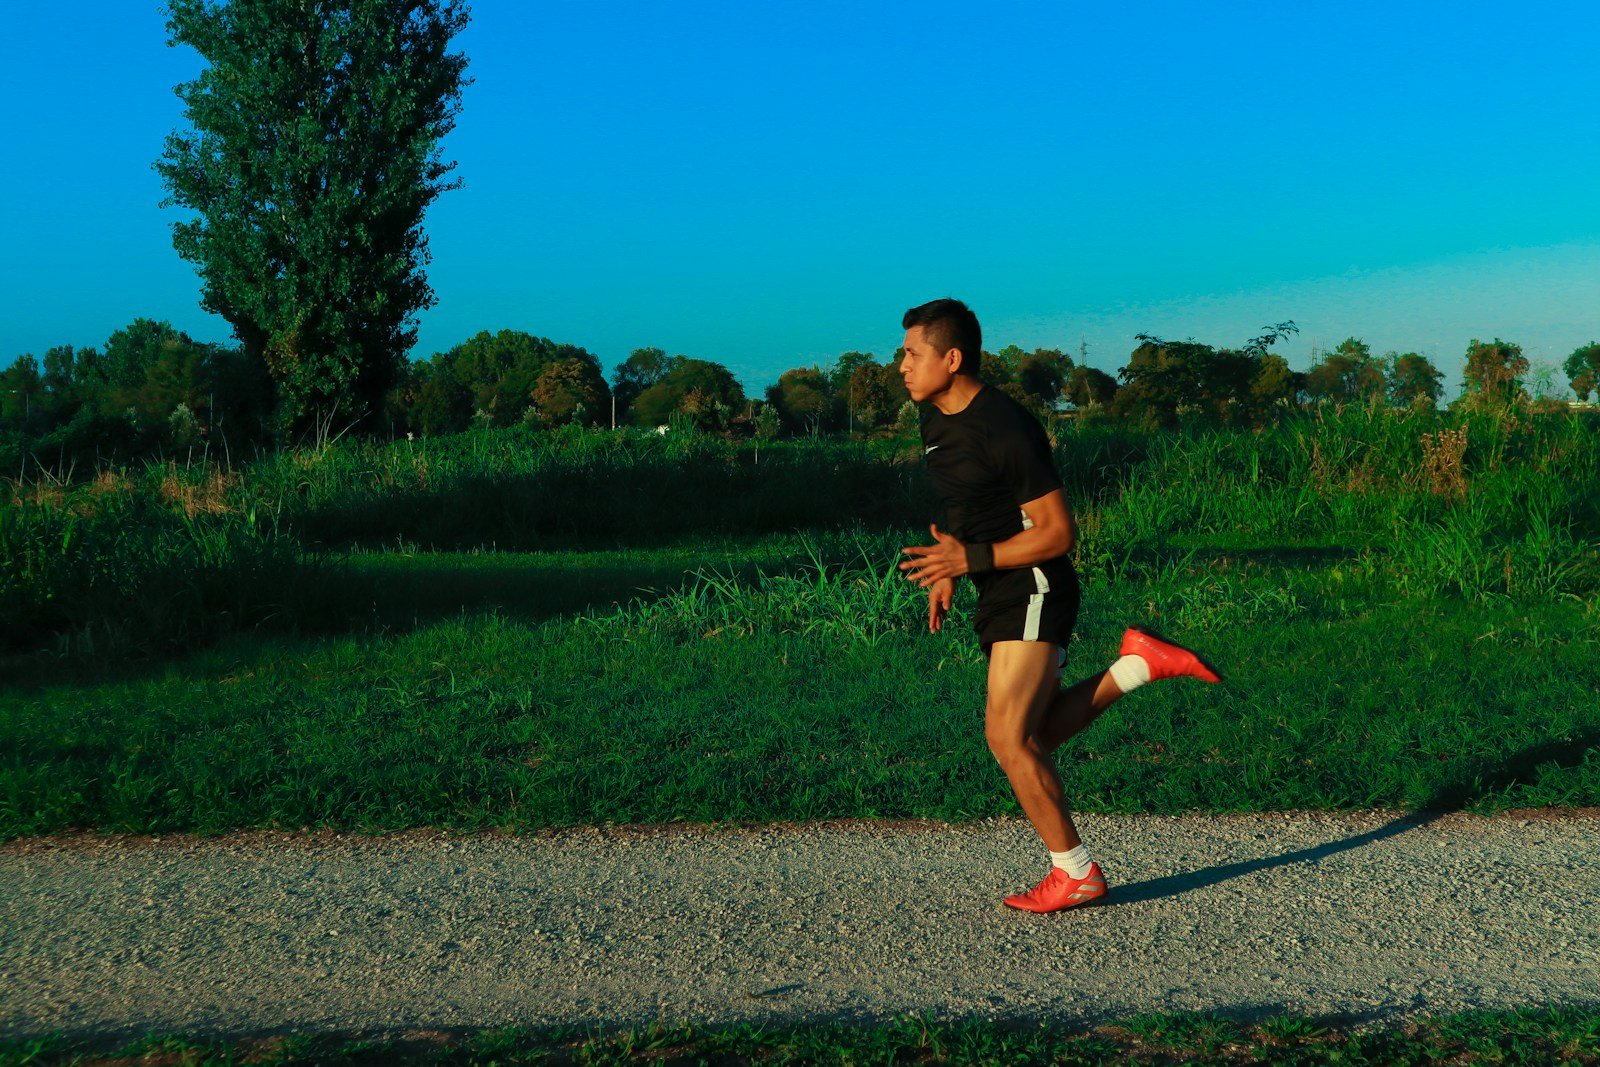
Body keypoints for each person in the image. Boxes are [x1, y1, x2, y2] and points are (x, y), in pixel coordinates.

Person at [896, 298, 1220, 913]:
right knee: (1033, 734)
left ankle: (1075, 872)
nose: (902, 366)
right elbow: (966, 500)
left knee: (1007, 738)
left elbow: (1057, 532)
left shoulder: (1005, 426)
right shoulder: (934, 418)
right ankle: (1139, 664)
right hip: (997, 584)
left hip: (1035, 581)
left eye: (913, 353)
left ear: (952, 358)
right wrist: (950, 566)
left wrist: (970, 560)